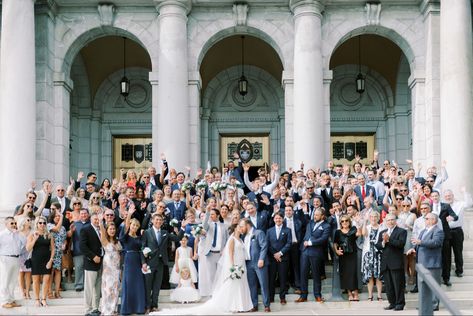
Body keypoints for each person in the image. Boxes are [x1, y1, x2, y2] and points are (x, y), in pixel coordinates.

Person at [152, 218, 253, 315]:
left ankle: (241, 305)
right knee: (232, 285)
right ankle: (233, 305)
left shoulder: (241, 239)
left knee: (239, 285)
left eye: (241, 227)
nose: (241, 228)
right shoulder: (232, 240)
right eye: (239, 227)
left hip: (241, 265)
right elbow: (230, 254)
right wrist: (233, 267)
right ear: (235, 228)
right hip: (235, 266)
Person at [141, 213, 182, 313]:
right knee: (148, 286)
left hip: (161, 263)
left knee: (157, 286)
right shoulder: (147, 232)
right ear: (152, 221)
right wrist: (143, 262)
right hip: (150, 262)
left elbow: (177, 239)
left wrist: (182, 228)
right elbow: (142, 248)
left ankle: (154, 305)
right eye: (157, 220)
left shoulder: (165, 232)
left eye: (160, 220)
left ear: (163, 221)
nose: (158, 221)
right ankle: (147, 306)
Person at [407, 213, 444, 311]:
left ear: (433, 220)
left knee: (434, 285)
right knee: (422, 286)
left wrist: (420, 242)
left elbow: (436, 243)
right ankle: (423, 304)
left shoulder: (438, 231)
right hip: (421, 263)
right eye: (425, 218)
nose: (425, 220)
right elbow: (418, 243)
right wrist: (413, 249)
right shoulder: (423, 231)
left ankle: (434, 305)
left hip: (432, 263)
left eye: (427, 218)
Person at [296, 208, 330, 303]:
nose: (315, 216)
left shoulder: (326, 226)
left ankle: (318, 295)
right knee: (303, 274)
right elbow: (302, 219)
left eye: (317, 215)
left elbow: (324, 238)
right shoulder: (310, 223)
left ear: (322, 216)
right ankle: (303, 295)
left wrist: (311, 243)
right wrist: (303, 209)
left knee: (316, 275)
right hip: (305, 251)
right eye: (314, 214)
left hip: (316, 252)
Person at [375, 213, 407, 311]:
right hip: (385, 263)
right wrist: (384, 242)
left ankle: (400, 304)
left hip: (396, 263)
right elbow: (377, 246)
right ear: (385, 221)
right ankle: (392, 303)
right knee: (389, 285)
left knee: (398, 285)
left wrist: (389, 240)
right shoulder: (382, 232)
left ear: (395, 221)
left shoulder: (402, 231)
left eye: (392, 220)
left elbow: (400, 244)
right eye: (388, 220)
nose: (390, 222)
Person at [241, 218, 271, 312]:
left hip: (259, 263)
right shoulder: (243, 236)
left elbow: (264, 246)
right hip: (248, 263)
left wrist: (261, 258)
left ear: (248, 225)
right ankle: (254, 305)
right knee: (252, 285)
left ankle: (266, 305)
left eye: (242, 226)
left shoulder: (258, 233)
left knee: (263, 284)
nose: (241, 228)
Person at [120, 208, 146, 315]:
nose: (134, 227)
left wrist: (143, 263)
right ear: (130, 225)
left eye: (136, 225)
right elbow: (125, 227)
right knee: (128, 283)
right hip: (129, 260)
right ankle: (127, 309)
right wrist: (129, 215)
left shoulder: (139, 238)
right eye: (133, 225)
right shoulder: (125, 236)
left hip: (138, 261)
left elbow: (141, 250)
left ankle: (139, 308)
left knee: (138, 284)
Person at [430, 190, 457, 286]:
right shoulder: (428, 207)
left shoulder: (446, 206)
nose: (434, 198)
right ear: (431, 198)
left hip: (445, 235)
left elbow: (455, 216)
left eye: (436, 196)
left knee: (446, 257)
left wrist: (452, 218)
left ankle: (446, 278)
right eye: (433, 196)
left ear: (439, 196)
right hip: (432, 236)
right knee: (434, 257)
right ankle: (435, 278)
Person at [199, 208, 228, 297]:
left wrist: (225, 250)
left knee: (220, 275)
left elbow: (227, 239)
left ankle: (220, 294)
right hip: (210, 253)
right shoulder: (208, 225)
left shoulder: (224, 226)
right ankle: (213, 294)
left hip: (220, 254)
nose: (211, 216)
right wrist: (207, 213)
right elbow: (203, 226)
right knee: (211, 276)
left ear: (218, 215)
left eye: (212, 214)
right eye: (210, 214)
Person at [26, 216, 55, 307]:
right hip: (36, 259)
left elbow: (53, 249)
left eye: (44, 223)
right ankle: (37, 299)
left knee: (46, 280)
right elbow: (28, 248)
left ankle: (44, 299)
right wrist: (35, 238)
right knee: (36, 280)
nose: (42, 224)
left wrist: (51, 260)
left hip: (47, 259)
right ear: (37, 224)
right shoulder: (32, 234)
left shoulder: (49, 234)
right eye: (40, 223)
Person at [444, 188, 472, 278]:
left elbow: (469, 203)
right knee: (446, 253)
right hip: (446, 231)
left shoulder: (459, 204)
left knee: (458, 252)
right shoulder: (443, 206)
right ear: (444, 197)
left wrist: (464, 192)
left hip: (457, 231)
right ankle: (446, 272)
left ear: (453, 196)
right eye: (446, 196)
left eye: (450, 195)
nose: (448, 197)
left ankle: (459, 270)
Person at [333, 214, 362, 301]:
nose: (344, 222)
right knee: (345, 274)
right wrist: (336, 251)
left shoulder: (353, 229)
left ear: (349, 222)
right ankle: (349, 293)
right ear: (340, 223)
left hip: (352, 254)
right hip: (343, 255)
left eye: (346, 221)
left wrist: (358, 223)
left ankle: (355, 292)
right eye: (342, 221)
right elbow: (335, 243)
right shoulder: (337, 232)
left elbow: (359, 234)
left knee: (353, 273)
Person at [80, 213, 104, 316]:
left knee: (97, 288)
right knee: (89, 288)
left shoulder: (101, 229)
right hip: (91, 262)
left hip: (101, 262)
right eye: (95, 219)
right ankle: (88, 309)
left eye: (98, 219)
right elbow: (82, 246)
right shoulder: (85, 229)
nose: (97, 220)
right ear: (91, 219)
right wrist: (93, 257)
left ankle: (95, 308)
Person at [266, 212, 292, 305]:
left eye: (280, 218)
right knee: (271, 278)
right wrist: (275, 254)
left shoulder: (288, 230)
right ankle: (271, 297)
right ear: (274, 220)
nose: (278, 220)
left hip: (283, 258)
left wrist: (280, 253)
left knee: (283, 278)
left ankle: (282, 297)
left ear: (282, 219)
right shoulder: (269, 231)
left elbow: (289, 243)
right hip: (272, 258)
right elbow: (267, 244)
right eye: (276, 218)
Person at [98, 217, 122, 316]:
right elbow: (102, 234)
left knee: (115, 291)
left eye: (113, 229)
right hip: (108, 269)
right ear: (107, 230)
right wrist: (101, 223)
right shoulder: (105, 241)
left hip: (116, 269)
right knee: (107, 291)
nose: (112, 231)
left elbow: (120, 255)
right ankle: (106, 311)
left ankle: (113, 310)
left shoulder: (118, 241)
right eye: (110, 229)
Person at [0, 217, 24, 309]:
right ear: (6, 224)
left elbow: (25, 242)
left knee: (13, 281)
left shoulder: (17, 234)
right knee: (5, 280)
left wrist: (19, 233)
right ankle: (4, 301)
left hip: (16, 258)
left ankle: (11, 299)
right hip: (6, 258)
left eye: (15, 223)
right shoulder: (2, 235)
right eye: (12, 223)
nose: (14, 225)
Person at [361, 211, 383, 301]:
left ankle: (379, 295)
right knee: (370, 275)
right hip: (369, 253)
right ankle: (370, 295)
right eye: (371, 217)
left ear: (378, 218)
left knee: (378, 275)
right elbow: (363, 234)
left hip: (379, 253)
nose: (373, 218)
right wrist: (365, 221)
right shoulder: (367, 227)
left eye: (375, 217)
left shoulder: (382, 227)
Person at [46, 208, 68, 299]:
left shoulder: (63, 228)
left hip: (59, 252)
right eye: (56, 216)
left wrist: (65, 244)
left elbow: (65, 238)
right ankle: (49, 291)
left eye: (59, 216)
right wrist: (62, 216)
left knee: (58, 271)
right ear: (52, 217)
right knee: (50, 272)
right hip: (51, 252)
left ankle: (57, 292)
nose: (58, 217)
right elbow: (56, 228)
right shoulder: (49, 225)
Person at [71, 208, 89, 292]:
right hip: (78, 250)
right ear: (79, 215)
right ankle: (78, 285)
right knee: (78, 268)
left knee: (88, 269)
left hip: (90, 251)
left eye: (85, 213)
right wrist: (71, 231)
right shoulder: (75, 224)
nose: (83, 215)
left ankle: (88, 285)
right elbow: (69, 235)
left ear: (88, 214)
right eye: (82, 213)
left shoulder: (91, 223)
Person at [17, 216, 32, 300]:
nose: (30, 221)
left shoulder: (32, 232)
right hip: (20, 255)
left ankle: (27, 292)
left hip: (29, 255)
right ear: (23, 222)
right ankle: (22, 292)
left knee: (28, 274)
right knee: (21, 274)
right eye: (28, 220)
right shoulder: (18, 232)